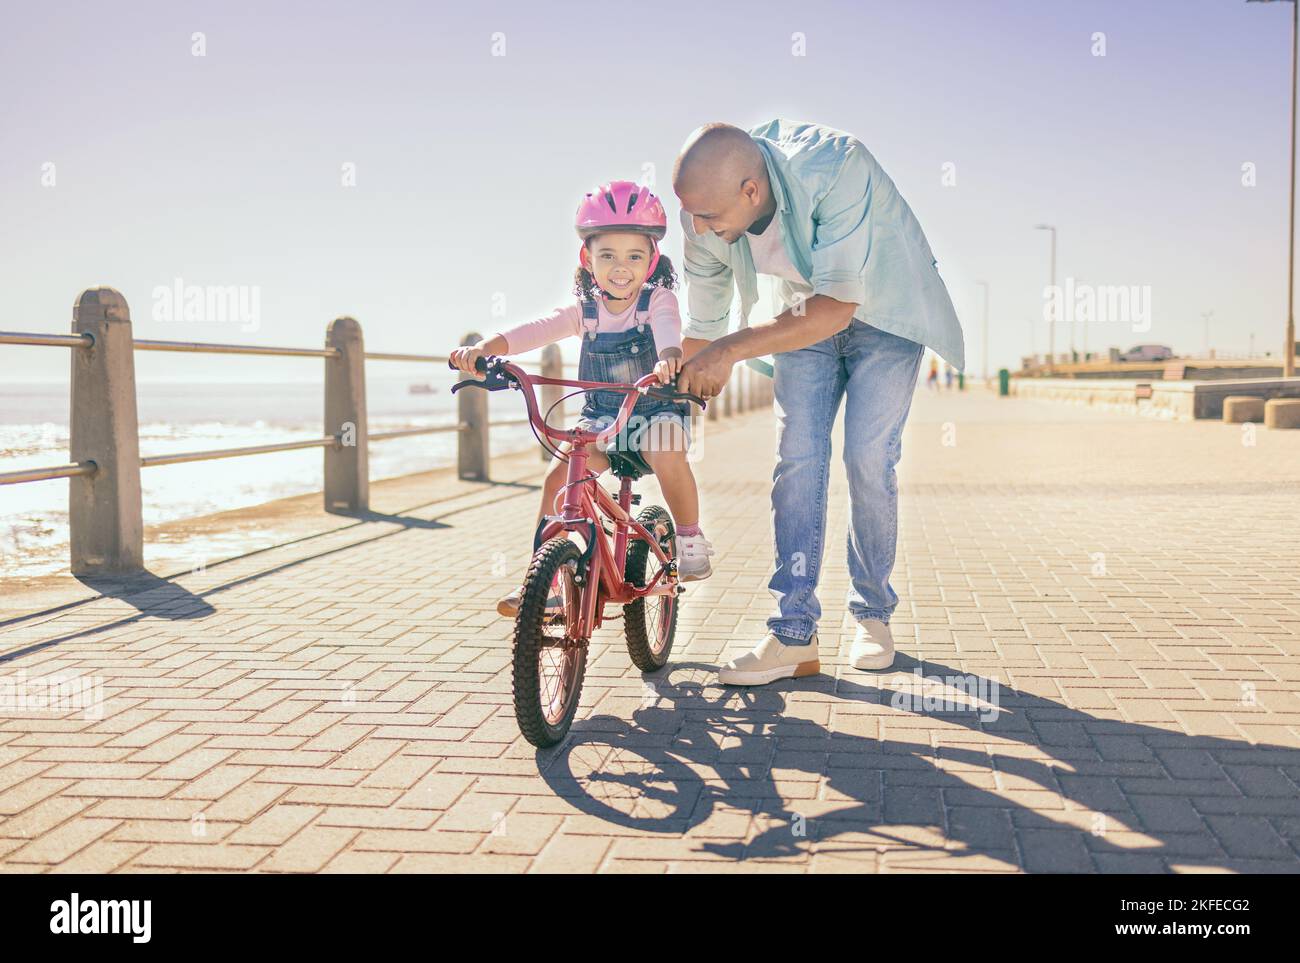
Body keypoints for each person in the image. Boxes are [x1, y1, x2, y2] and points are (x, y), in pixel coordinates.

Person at [671, 120, 964, 685]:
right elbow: (703, 324)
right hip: (798, 316)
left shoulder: (835, 168)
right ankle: (793, 636)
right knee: (798, 459)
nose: (699, 227)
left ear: (750, 192)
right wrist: (680, 397)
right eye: (692, 215)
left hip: (884, 312)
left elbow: (836, 306)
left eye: (709, 216)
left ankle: (873, 617)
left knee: (867, 460)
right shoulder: (701, 215)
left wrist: (730, 351)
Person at [449, 181, 716, 617]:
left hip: (656, 409)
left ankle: (688, 536)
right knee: (560, 478)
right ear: (587, 259)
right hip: (602, 419)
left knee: (667, 451)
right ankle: (544, 581)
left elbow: (669, 329)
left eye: (634, 255)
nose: (620, 266)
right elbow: (537, 328)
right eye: (607, 254)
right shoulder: (584, 311)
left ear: (652, 261)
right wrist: (487, 348)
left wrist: (670, 358)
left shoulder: (657, 301)